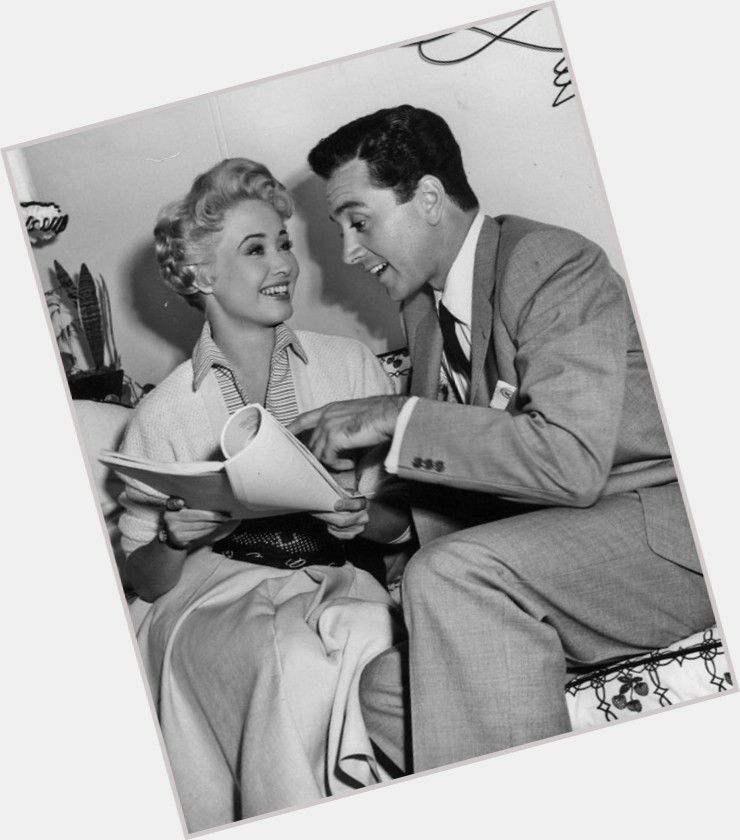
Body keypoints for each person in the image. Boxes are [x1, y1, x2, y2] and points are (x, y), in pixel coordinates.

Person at [290, 105, 715, 774]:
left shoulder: (548, 262)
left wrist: (395, 413)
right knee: (382, 692)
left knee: (452, 576)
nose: (347, 251)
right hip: (562, 553)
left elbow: (569, 463)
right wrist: (368, 515)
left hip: (674, 541)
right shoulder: (425, 315)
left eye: (359, 221)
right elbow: (477, 479)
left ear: (430, 198)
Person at [116, 158, 410, 832]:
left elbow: (402, 524)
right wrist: (173, 538)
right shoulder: (161, 414)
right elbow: (146, 580)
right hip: (210, 595)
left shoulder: (351, 366)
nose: (283, 264)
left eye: (283, 242)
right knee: (289, 659)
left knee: (373, 634)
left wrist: (365, 515)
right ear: (201, 275)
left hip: (333, 577)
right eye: (256, 249)